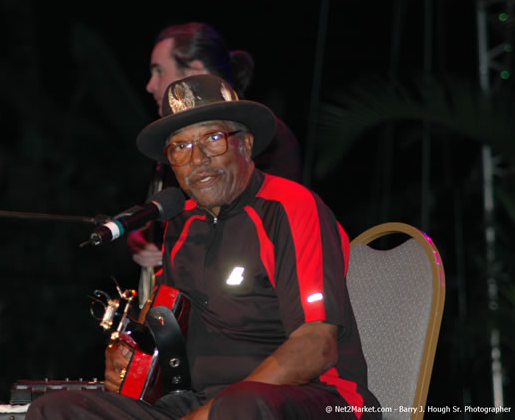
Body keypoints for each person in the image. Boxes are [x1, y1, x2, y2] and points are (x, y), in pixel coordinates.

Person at [26, 74, 381, 419]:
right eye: (181, 147)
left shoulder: (289, 208)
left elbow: (316, 345)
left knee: (238, 405)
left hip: (308, 399)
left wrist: (212, 413)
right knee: (55, 409)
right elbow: (170, 337)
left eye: (212, 137)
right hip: (200, 403)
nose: (198, 159)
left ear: (245, 143)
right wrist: (132, 356)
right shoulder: (181, 225)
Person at [131, 22, 302, 301]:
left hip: (249, 306)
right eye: (182, 148)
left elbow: (264, 228)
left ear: (196, 71)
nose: (150, 85)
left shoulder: (264, 137)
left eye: (159, 71)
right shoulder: (173, 145)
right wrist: (144, 234)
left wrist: (177, 251)